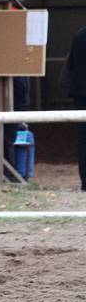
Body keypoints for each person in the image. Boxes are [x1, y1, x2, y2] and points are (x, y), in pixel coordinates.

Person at [63, 26, 86, 191]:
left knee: (83, 140)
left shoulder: (78, 35)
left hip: (80, 94)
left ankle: (85, 181)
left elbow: (71, 65)